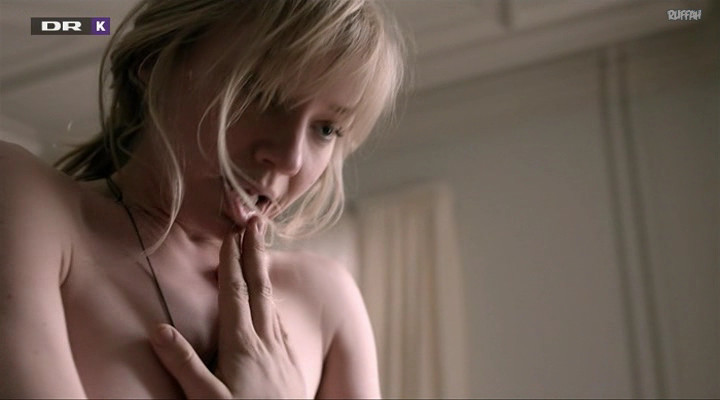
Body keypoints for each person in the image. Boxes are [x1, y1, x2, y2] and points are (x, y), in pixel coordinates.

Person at [0, 0, 405, 398]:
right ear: (156, 65)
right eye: (260, 94)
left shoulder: (325, 299)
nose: (290, 158)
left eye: (327, 129)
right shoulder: (27, 198)